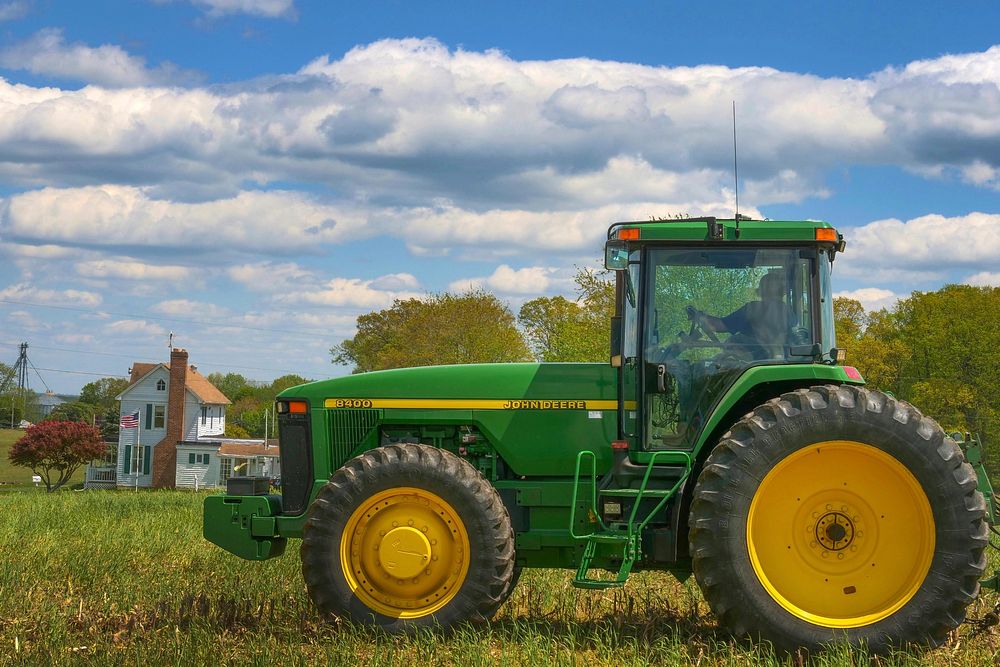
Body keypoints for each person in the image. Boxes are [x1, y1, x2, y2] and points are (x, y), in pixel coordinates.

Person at [686, 271, 793, 358]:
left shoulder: (754, 308)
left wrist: (700, 317)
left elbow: (720, 325)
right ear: (781, 292)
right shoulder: (789, 312)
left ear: (761, 292)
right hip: (778, 360)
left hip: (757, 361)